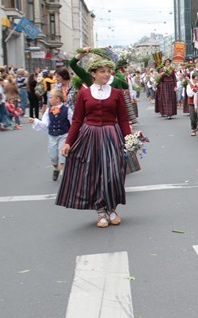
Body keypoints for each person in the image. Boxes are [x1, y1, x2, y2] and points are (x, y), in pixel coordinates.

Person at [57, 57, 132, 228]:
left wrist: (129, 140)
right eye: (102, 71)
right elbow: (76, 120)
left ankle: (112, 208)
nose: (107, 74)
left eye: (108, 71)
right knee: (94, 174)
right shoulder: (84, 93)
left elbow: (123, 119)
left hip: (112, 134)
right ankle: (100, 211)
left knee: (114, 172)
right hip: (90, 135)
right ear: (93, 73)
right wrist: (68, 142)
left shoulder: (116, 93)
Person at [30, 89, 73, 181]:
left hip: (64, 135)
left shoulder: (67, 110)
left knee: (63, 154)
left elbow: (73, 122)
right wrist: (35, 121)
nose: (49, 99)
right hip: (52, 136)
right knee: (53, 156)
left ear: (57, 99)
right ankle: (56, 168)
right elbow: (45, 123)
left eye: (50, 97)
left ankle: (63, 174)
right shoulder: (48, 110)